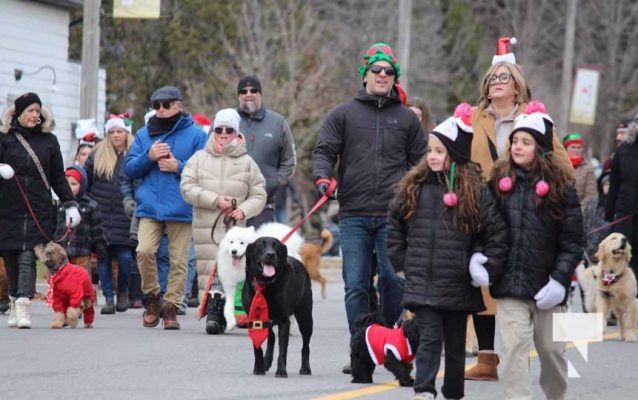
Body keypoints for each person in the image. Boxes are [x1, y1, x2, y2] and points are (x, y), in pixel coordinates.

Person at [312, 42, 427, 372]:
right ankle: (360, 347)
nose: (381, 75)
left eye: (388, 72)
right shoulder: (343, 114)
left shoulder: (406, 119)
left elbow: (420, 162)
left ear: (395, 79)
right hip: (354, 213)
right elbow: (323, 152)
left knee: (393, 279)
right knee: (356, 283)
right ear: (365, 75)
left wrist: (414, 194)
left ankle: (387, 339)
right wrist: (323, 179)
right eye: (375, 70)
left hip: (394, 215)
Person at [465, 47, 573, 381]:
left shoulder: (535, 118)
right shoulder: (473, 118)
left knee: (524, 280)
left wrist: (549, 190)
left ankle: (538, 353)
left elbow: (563, 163)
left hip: (529, 207)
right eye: (492, 78)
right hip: (485, 207)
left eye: (503, 77)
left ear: (517, 85)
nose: (496, 82)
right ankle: (487, 358)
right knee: (484, 281)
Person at [388, 104, 508, 400]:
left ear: (454, 154)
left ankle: (454, 393)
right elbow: (394, 223)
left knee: (455, 345)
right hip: (424, 282)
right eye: (430, 150)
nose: (432, 157)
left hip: (458, 283)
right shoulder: (414, 186)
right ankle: (424, 390)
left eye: (439, 151)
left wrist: (483, 264)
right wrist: (401, 261)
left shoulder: (475, 192)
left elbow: (495, 233)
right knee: (429, 339)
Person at [488, 102, 583, 400]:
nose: (517, 146)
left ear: (540, 147)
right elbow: (486, 230)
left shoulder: (562, 186)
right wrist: (483, 260)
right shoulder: (498, 182)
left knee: (552, 352)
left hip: (548, 288)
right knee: (514, 349)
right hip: (509, 286)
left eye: (525, 142)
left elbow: (573, 241)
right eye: (515, 140)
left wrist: (559, 280)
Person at [124, 85, 207, 330]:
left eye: (166, 104)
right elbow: (129, 169)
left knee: (179, 261)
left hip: (181, 205)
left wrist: (178, 167)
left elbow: (204, 171)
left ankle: (171, 307)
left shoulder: (196, 135)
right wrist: (148, 156)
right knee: (144, 251)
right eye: (156, 105)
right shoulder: (143, 134)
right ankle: (152, 298)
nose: (160, 110)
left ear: (179, 106)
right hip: (149, 206)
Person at [180, 108, 267, 334]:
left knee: (229, 269)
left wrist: (243, 210)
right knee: (208, 268)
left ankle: (229, 311)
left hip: (234, 229)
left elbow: (259, 194)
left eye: (229, 130)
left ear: (236, 132)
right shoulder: (199, 158)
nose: (224, 133)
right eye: (219, 129)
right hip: (205, 225)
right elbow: (187, 187)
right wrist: (215, 200)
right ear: (213, 130)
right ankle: (212, 311)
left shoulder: (248, 162)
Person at [0, 92, 81, 328]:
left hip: (39, 208)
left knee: (28, 256)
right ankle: (15, 301)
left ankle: (24, 304)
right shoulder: (4, 139)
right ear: (19, 114)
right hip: (8, 208)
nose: (34, 115)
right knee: (11, 256)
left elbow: (57, 176)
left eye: (37, 111)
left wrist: (70, 204)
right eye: (30, 111)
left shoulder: (49, 141)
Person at [84, 116, 137, 315]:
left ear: (126, 133)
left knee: (125, 258)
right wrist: (89, 205)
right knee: (103, 259)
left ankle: (123, 290)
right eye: (112, 132)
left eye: (120, 131)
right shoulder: (97, 154)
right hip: (101, 215)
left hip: (125, 217)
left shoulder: (134, 154)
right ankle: (108, 297)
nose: (116, 135)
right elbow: (85, 182)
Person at [236, 75, 296, 228]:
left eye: (253, 90)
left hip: (264, 204)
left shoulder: (278, 122)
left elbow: (289, 161)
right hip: (232, 205)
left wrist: (275, 182)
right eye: (243, 91)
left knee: (261, 250)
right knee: (232, 251)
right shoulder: (228, 121)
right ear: (239, 96)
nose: (248, 94)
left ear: (260, 94)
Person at [54, 166, 108, 275]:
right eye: (66, 184)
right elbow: (52, 226)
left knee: (79, 277)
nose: (69, 187)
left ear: (82, 185)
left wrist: (100, 247)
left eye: (73, 184)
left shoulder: (90, 205)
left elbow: (97, 229)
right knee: (59, 277)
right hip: (60, 250)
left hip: (81, 250)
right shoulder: (58, 205)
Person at [605, 118, 638, 288]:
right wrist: (609, 215)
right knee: (617, 261)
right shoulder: (623, 151)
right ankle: (610, 301)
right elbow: (614, 185)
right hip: (623, 216)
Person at [562, 132, 596, 207]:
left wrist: (577, 213)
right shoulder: (559, 166)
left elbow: (590, 197)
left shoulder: (588, 169)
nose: (576, 150)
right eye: (573, 147)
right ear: (566, 149)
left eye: (579, 147)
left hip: (579, 212)